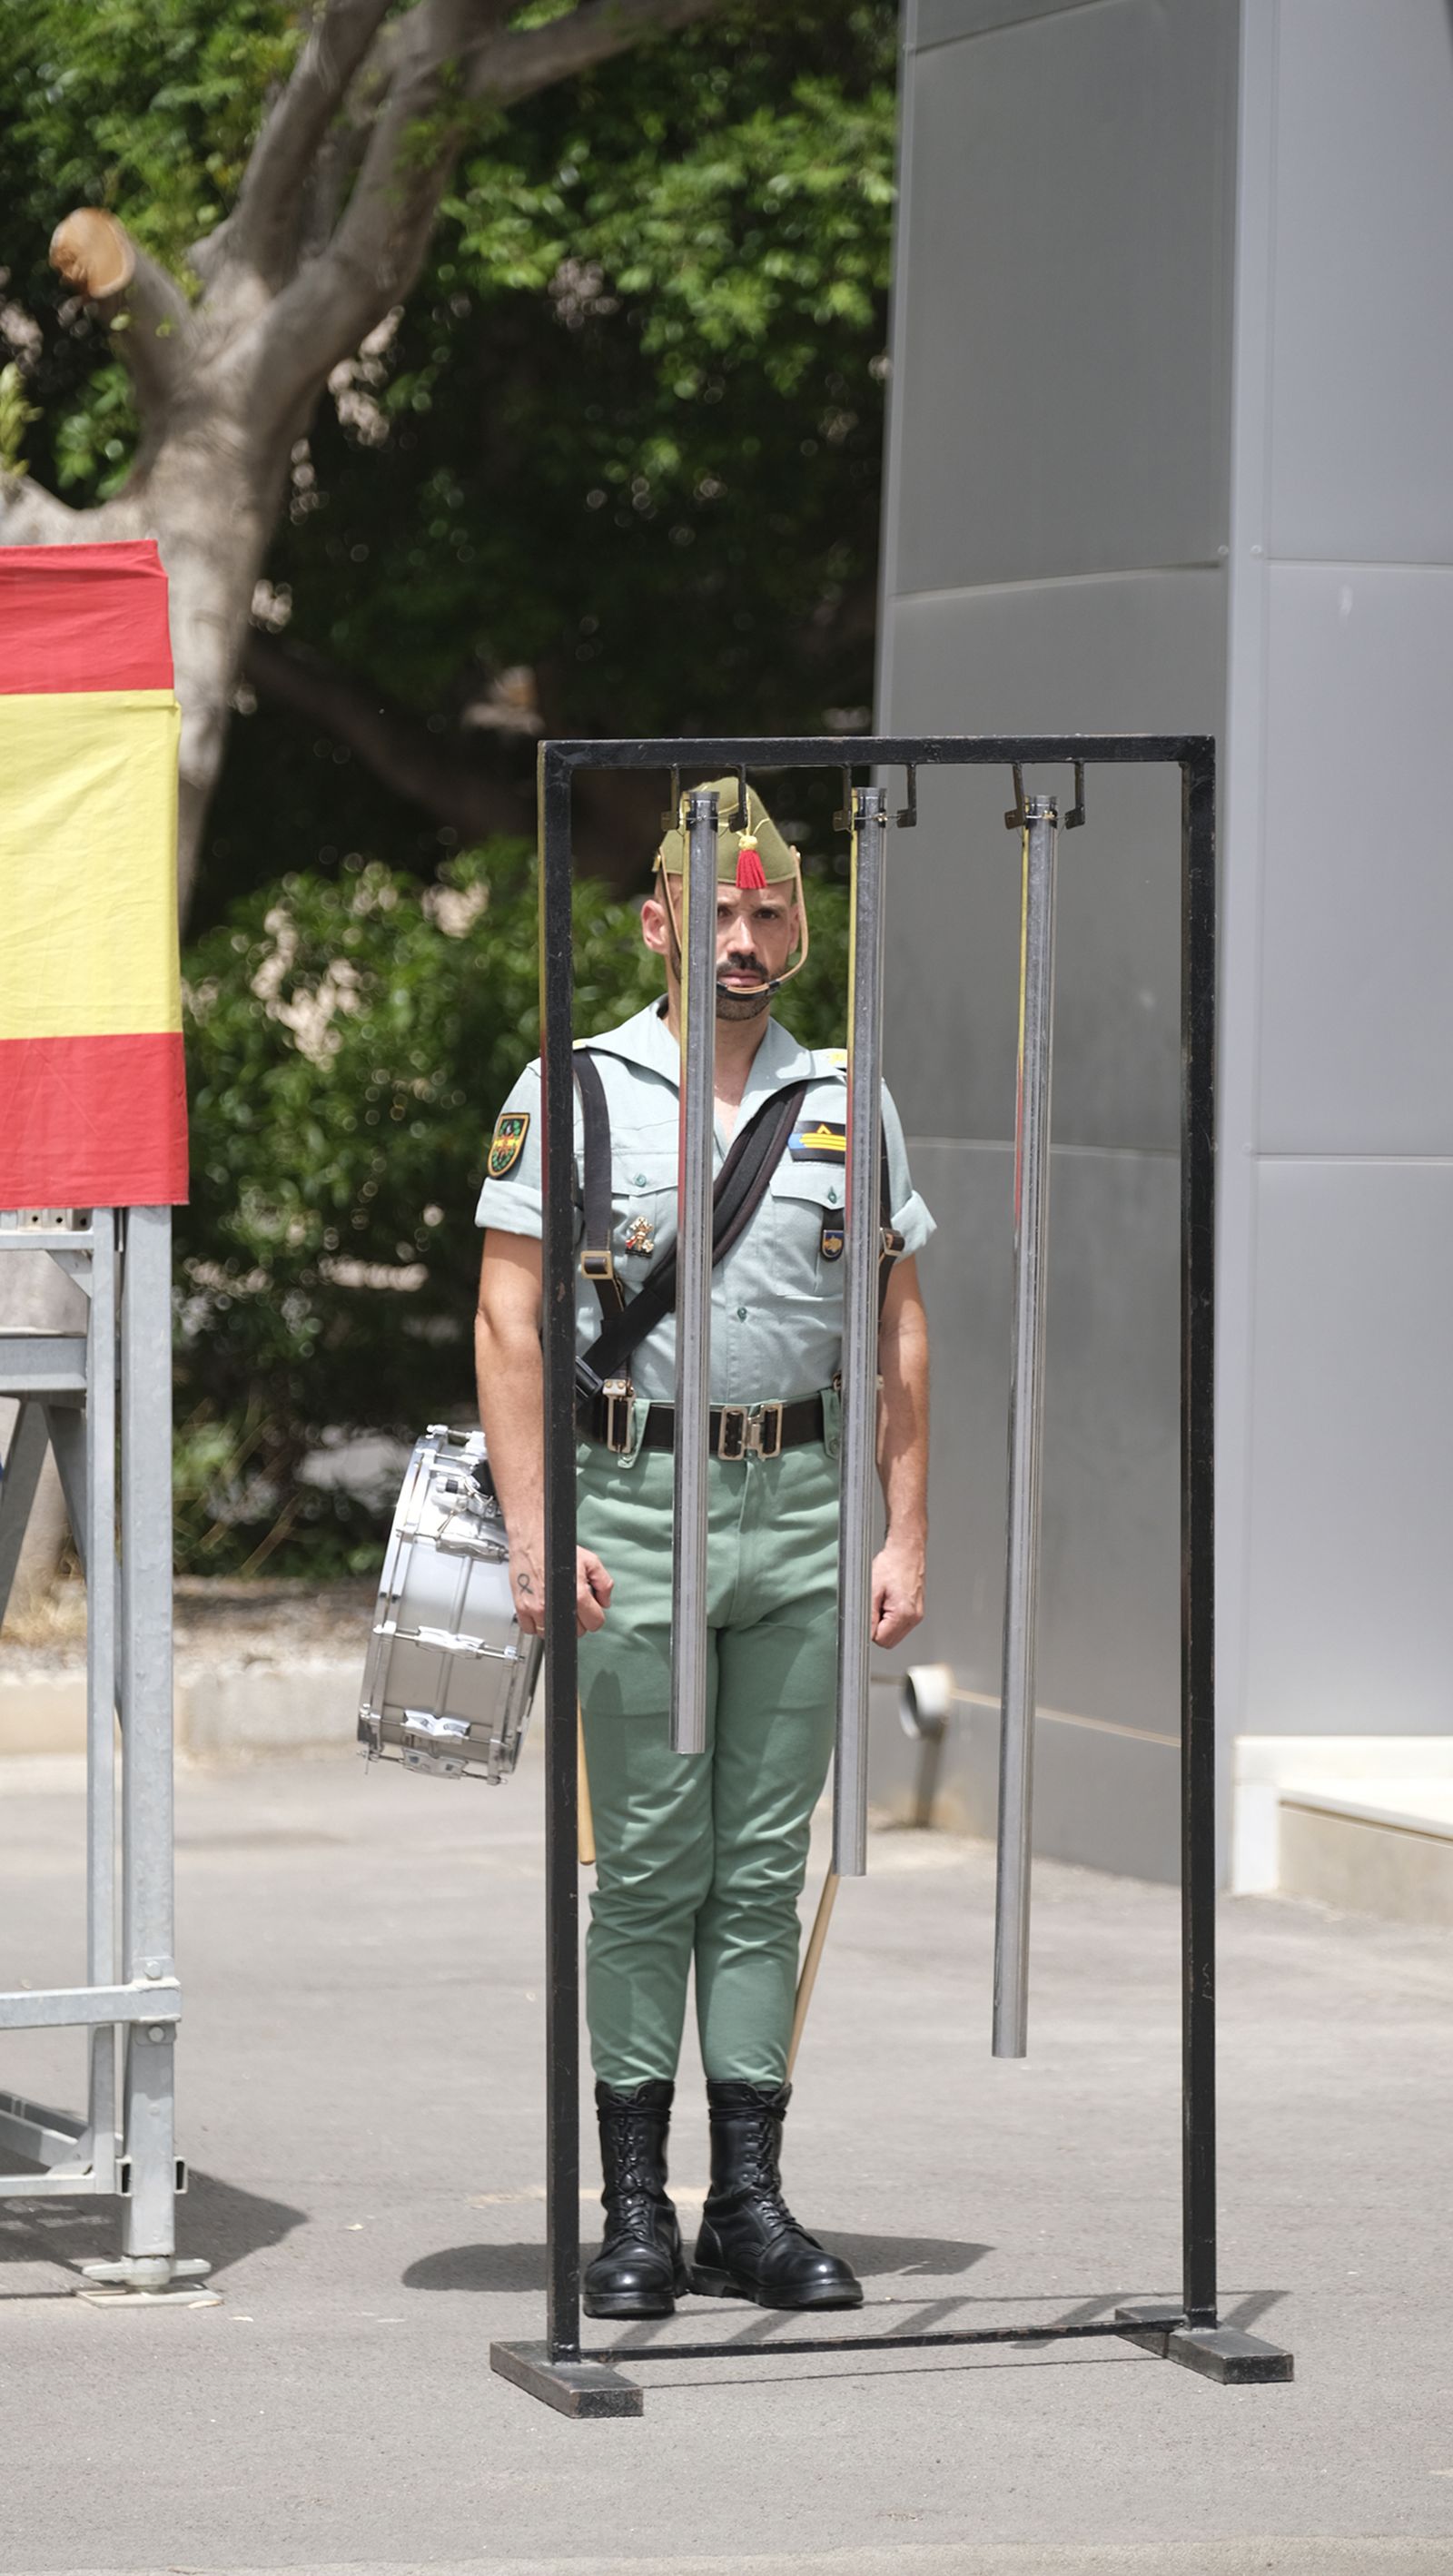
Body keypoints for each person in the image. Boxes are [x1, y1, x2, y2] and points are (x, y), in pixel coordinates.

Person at [474, 780, 932, 2319]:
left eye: (769, 912)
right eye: (717, 911)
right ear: (657, 923)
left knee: (761, 1870)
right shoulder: (577, 1088)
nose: (743, 937)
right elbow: (509, 1316)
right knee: (651, 1869)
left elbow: (898, 1325)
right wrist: (535, 1528)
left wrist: (905, 1527)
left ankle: (746, 2201)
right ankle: (632, 2208)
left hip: (799, 1511)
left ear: (800, 929)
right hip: (633, 1507)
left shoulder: (847, 1097)